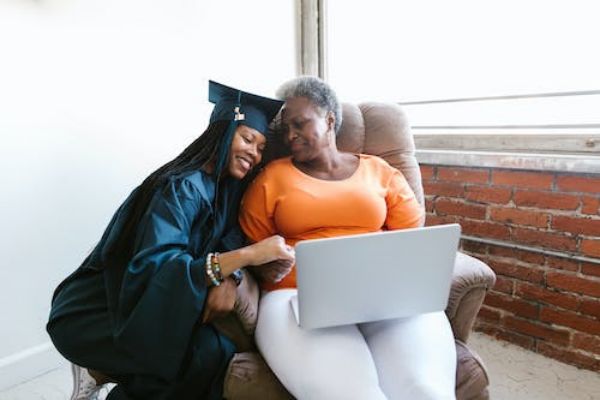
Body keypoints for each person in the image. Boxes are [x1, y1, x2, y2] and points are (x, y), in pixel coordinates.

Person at [46, 81, 295, 400]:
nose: (254, 153)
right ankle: (97, 366)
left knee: (214, 350)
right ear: (222, 131)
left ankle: (101, 375)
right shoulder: (181, 189)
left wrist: (230, 276)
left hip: (144, 310)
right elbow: (159, 268)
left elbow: (229, 237)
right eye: (247, 139)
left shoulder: (223, 191)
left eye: (260, 147)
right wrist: (248, 256)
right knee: (199, 357)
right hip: (96, 313)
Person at [239, 76, 457, 400]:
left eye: (299, 123)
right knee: (352, 394)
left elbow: (412, 242)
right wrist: (264, 266)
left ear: (329, 120)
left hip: (387, 296)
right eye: (285, 129)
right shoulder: (272, 177)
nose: (290, 135)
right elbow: (253, 247)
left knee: (426, 391)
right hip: (296, 297)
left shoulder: (380, 171)